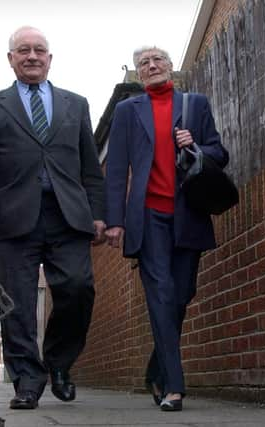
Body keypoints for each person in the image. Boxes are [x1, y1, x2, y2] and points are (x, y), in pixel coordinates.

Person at [0, 26, 106, 410]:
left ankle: (59, 363)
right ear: (10, 58)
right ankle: (28, 380)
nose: (31, 56)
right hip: (13, 219)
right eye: (23, 50)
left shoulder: (76, 104)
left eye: (39, 50)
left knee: (78, 289)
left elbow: (91, 168)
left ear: (50, 58)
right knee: (19, 304)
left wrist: (98, 214)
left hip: (68, 217)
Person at [104, 46, 228, 411]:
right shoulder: (128, 112)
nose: (152, 66)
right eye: (144, 63)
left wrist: (196, 145)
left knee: (182, 293)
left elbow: (220, 153)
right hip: (148, 215)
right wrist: (114, 221)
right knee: (160, 293)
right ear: (139, 73)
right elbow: (115, 171)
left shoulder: (195, 105)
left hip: (188, 210)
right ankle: (174, 386)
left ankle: (158, 366)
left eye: (158, 60)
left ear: (171, 68)